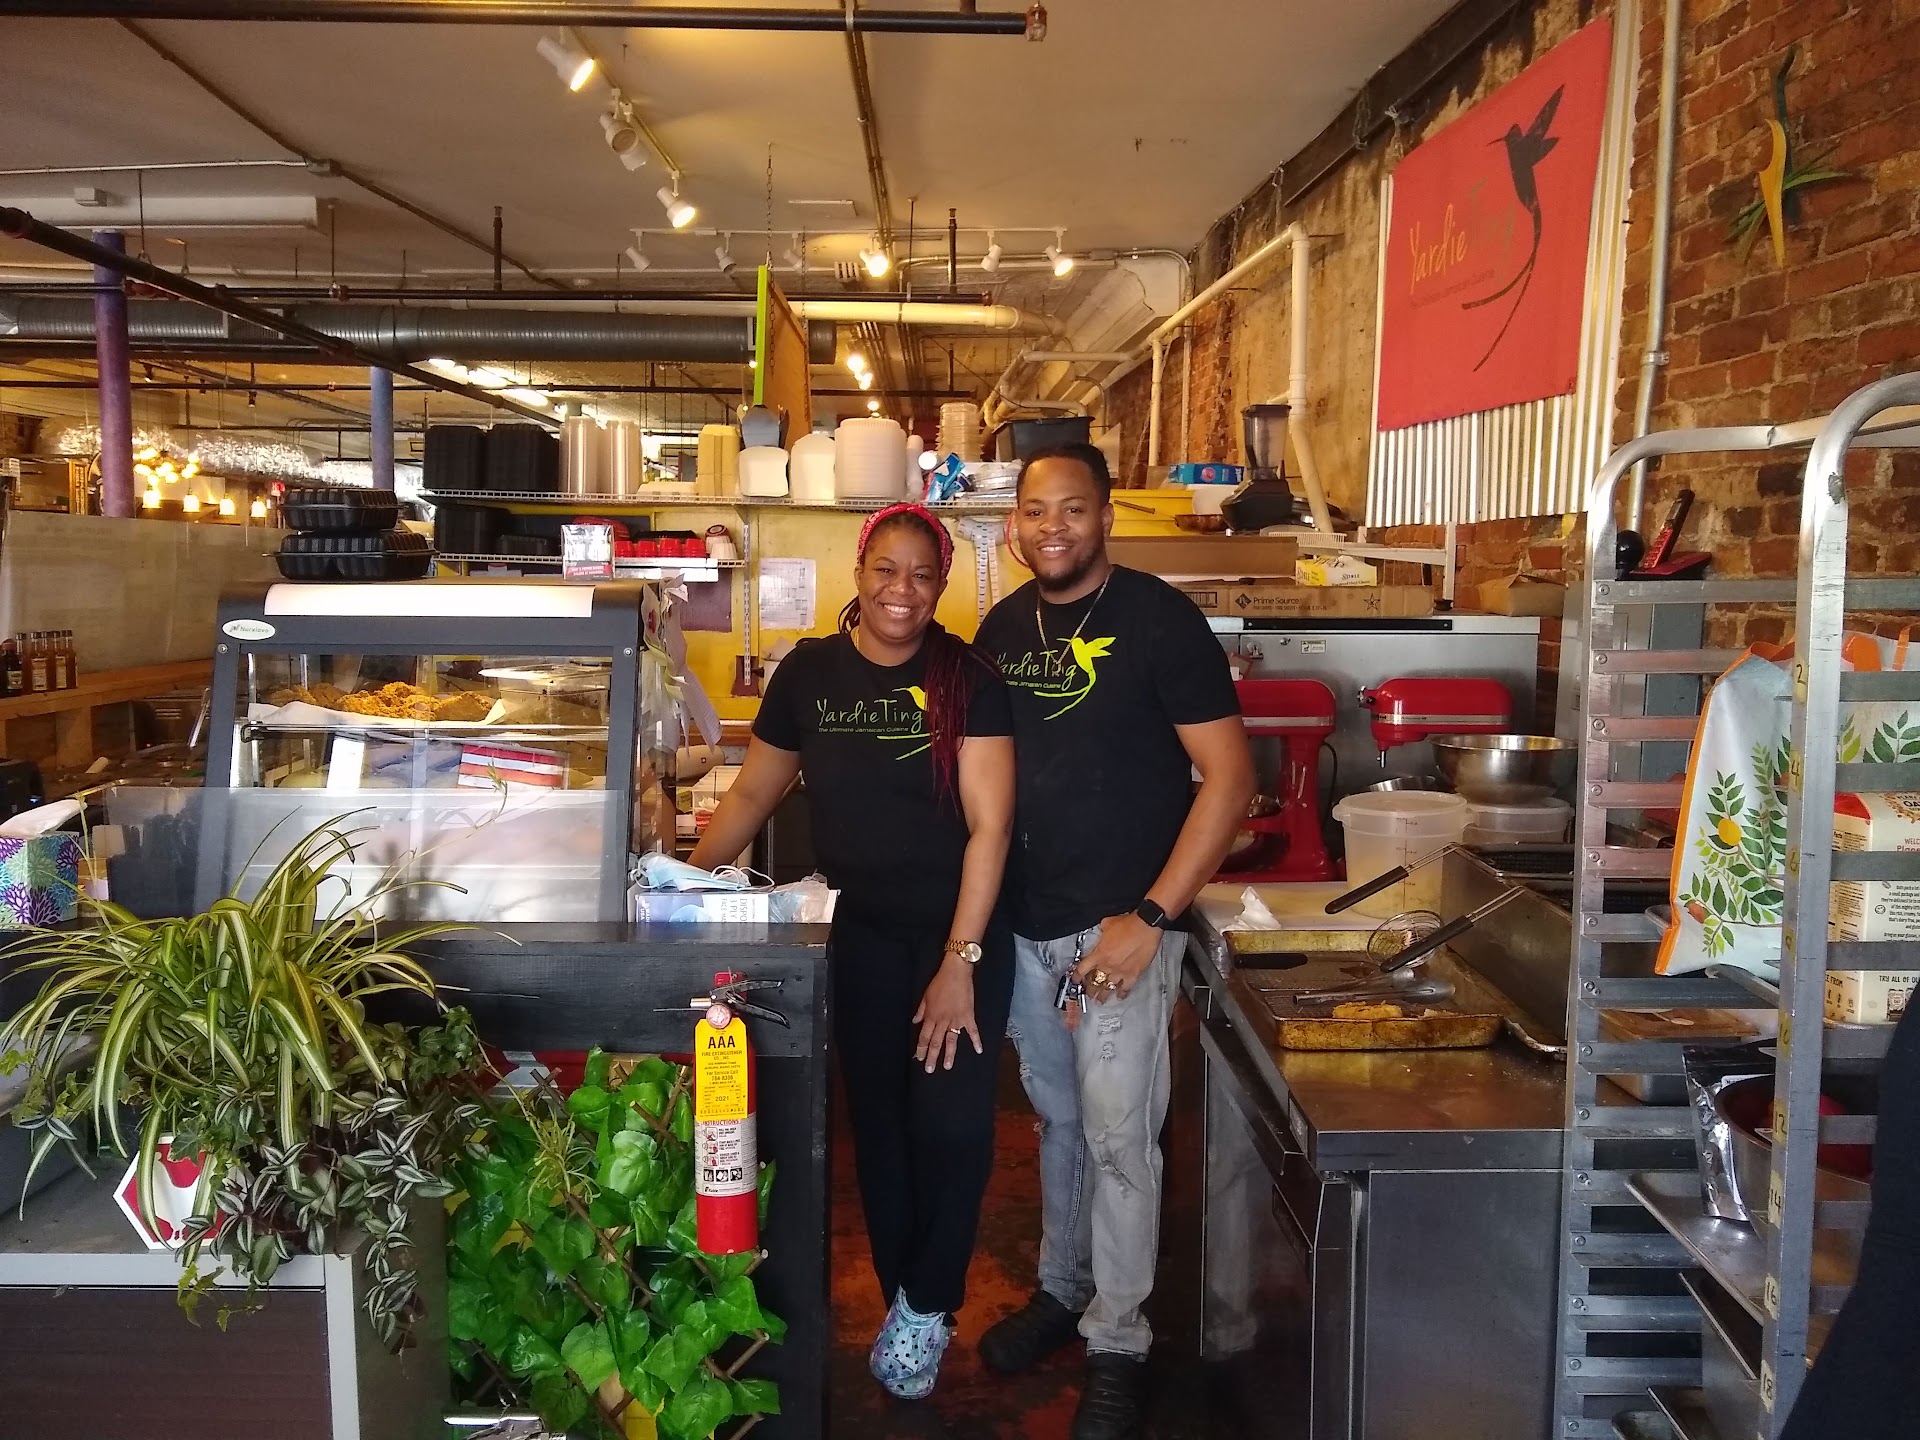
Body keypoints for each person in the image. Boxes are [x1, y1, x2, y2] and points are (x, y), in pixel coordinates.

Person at [688, 502, 1016, 1401]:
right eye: (886, 570)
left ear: (940, 585)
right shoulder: (810, 672)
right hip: (859, 938)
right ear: (859, 573)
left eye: (921, 574)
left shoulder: (969, 679)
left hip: (959, 939)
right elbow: (752, 794)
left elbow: (990, 827)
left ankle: (931, 1300)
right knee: (880, 1131)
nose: (901, 590)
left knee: (951, 1128)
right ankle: (908, 1302)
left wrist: (960, 962)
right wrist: (679, 883)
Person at [973, 443, 1255, 1439]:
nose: (1053, 526)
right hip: (1028, 927)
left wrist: (1154, 918)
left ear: (1105, 518)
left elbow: (1231, 780)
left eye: (1074, 508)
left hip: (1122, 930)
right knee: (1061, 1124)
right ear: (1015, 526)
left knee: (1122, 1141)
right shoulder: (1002, 629)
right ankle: (1065, 1289)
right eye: (1035, 510)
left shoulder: (1159, 620)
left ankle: (1120, 1340)